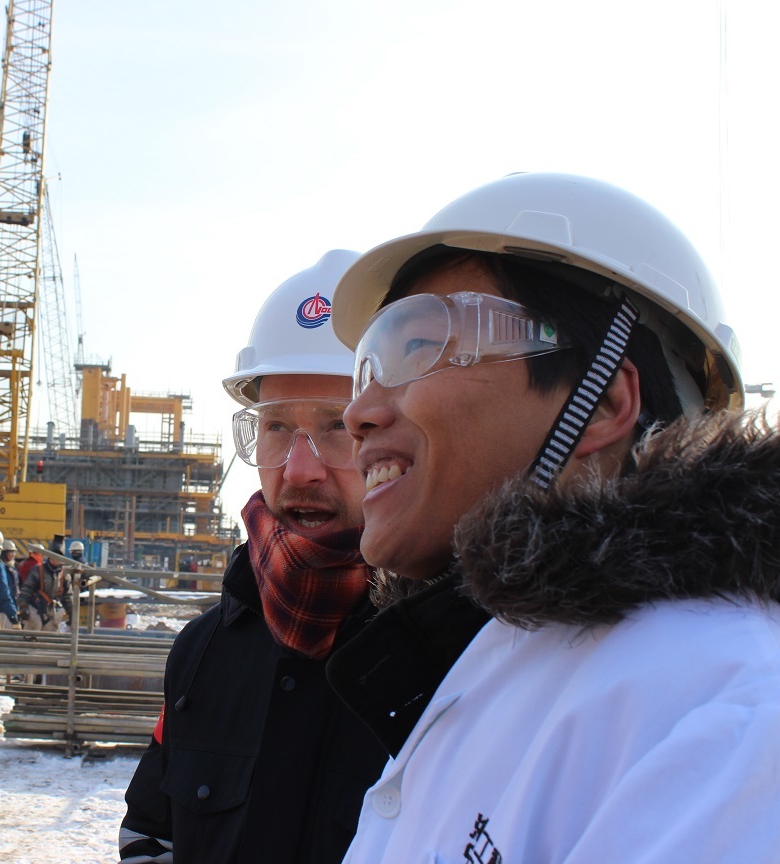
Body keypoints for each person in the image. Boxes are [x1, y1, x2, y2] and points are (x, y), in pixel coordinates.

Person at [326, 173, 780, 862]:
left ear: (601, 404)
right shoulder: (485, 666)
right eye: (371, 363)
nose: (357, 414)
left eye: (421, 348)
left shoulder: (723, 709)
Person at [120, 251, 392, 864]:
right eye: (274, 428)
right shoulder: (203, 651)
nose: (300, 468)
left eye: (337, 428)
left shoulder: (453, 655)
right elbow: (150, 833)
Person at [18, 534, 72, 631]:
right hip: (35, 611)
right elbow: (26, 590)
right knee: (31, 640)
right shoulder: (37, 571)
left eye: (58, 558)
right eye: (53, 557)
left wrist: (72, 614)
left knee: (50, 643)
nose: (55, 561)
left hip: (53, 614)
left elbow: (68, 597)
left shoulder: (65, 575)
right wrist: (23, 607)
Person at [1, 538, 21, 604]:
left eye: (14, 552)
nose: (13, 555)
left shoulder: (13, 568)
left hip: (12, 601)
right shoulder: (0, 568)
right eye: (11, 552)